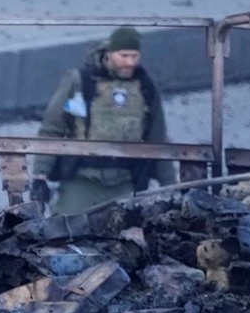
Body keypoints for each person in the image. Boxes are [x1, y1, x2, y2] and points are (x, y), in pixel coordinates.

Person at [30, 26, 178, 215]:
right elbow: (52, 128)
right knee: (64, 232)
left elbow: (157, 140)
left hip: (126, 183)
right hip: (82, 181)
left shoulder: (145, 89)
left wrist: (172, 188)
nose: (130, 62)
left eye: (134, 56)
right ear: (109, 54)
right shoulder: (81, 83)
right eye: (124, 56)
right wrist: (40, 175)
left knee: (128, 238)